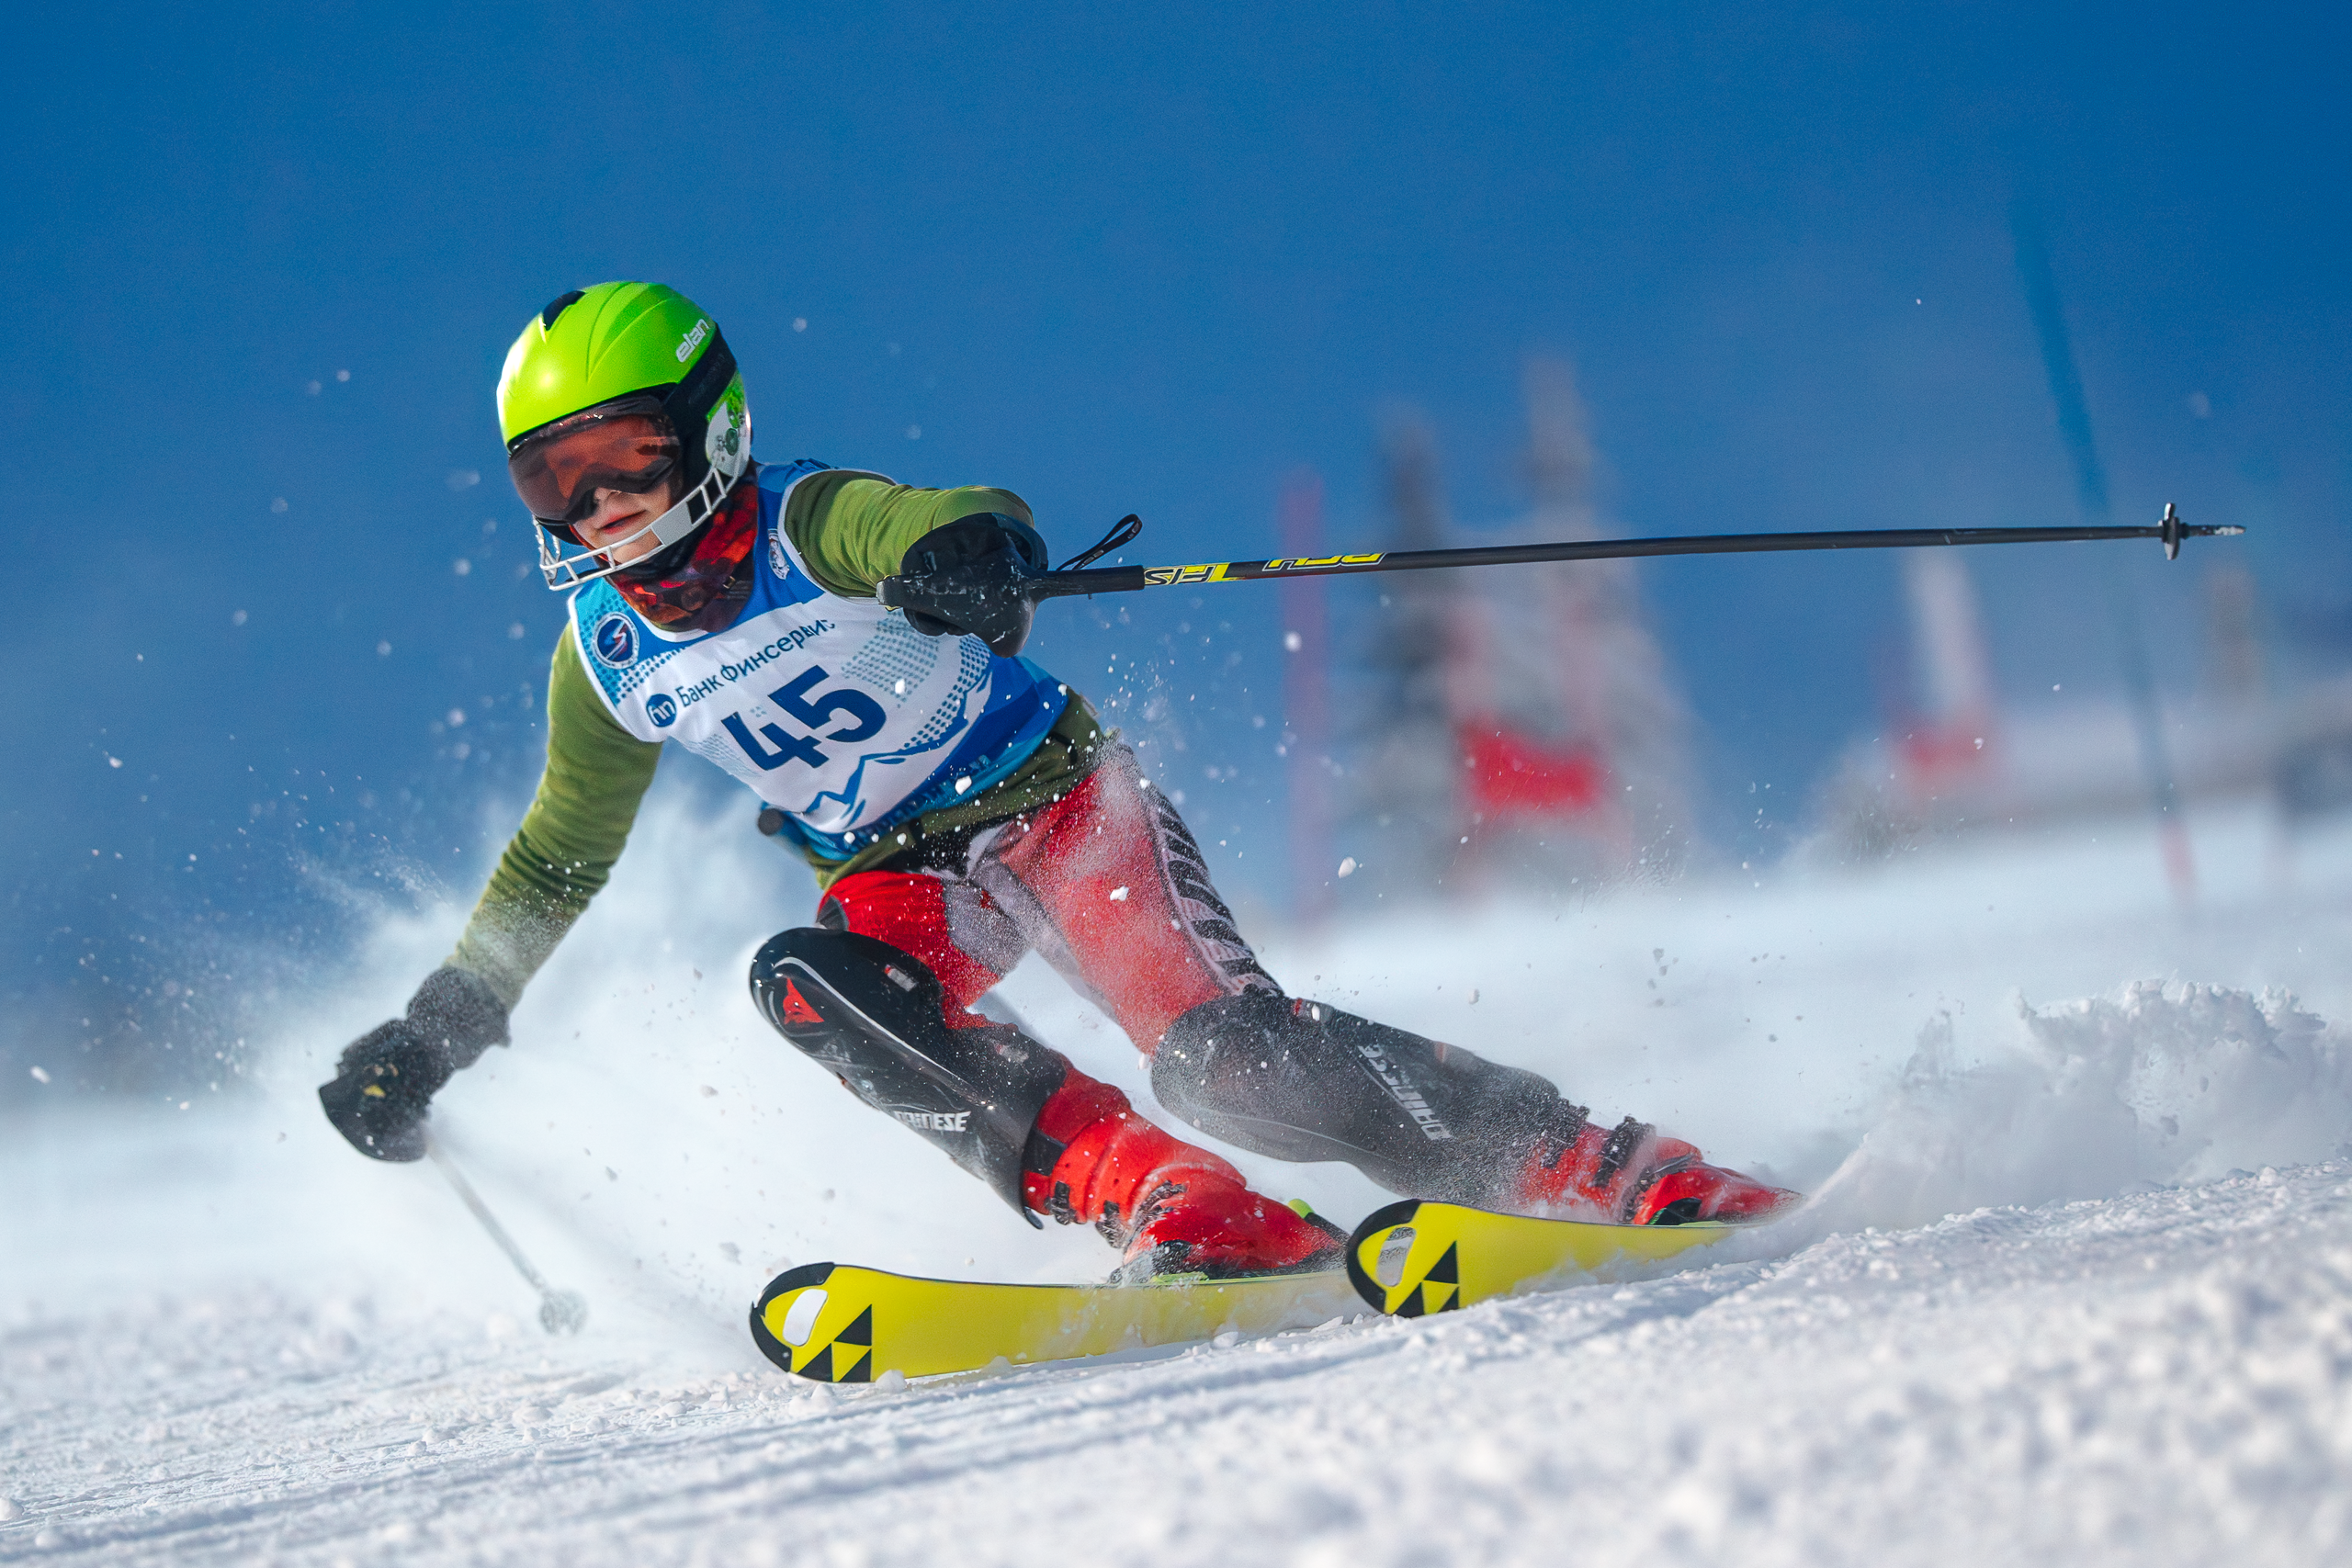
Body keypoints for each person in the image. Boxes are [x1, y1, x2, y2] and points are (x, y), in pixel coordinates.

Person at [320, 281, 1794, 1280]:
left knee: (1228, 1061)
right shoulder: (603, 658)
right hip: (902, 878)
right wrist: (437, 1029)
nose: (600, 507)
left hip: (1057, 809)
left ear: (709, 432)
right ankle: (1163, 1193)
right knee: (809, 982)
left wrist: (973, 555)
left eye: (625, 458)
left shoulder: (804, 523)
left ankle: (1594, 1165)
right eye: (554, 480)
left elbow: (943, 514)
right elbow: (556, 856)